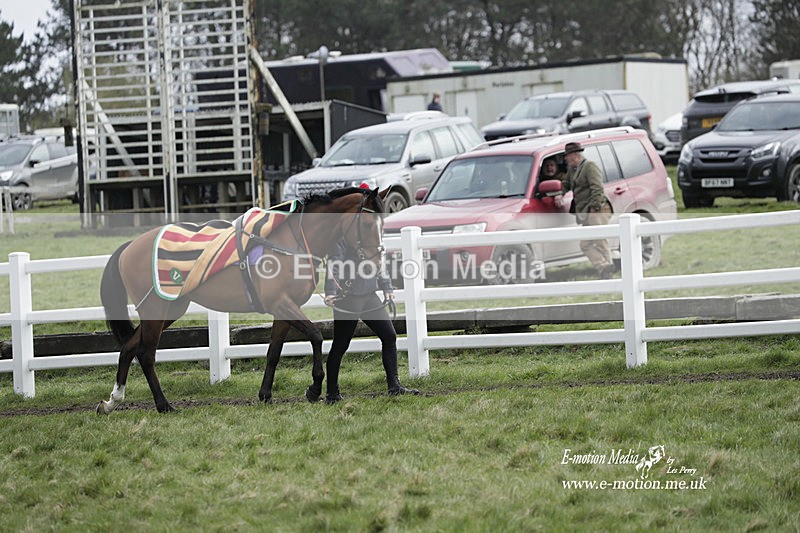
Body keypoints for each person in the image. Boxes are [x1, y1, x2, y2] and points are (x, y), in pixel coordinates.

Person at [323, 236, 419, 403]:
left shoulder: (372, 235)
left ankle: (394, 386)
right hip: (348, 298)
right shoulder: (343, 238)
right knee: (340, 345)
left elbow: (379, 262)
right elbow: (334, 263)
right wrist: (331, 290)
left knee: (389, 336)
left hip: (369, 296)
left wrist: (387, 286)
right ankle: (332, 393)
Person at [559, 142, 615, 279]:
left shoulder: (589, 166)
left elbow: (597, 188)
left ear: (574, 155)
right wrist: (560, 193)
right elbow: (566, 183)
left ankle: (607, 269)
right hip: (586, 211)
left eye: (567, 155)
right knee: (585, 244)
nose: (565, 158)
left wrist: (593, 208)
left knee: (600, 240)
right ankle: (604, 266)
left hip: (598, 209)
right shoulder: (572, 169)